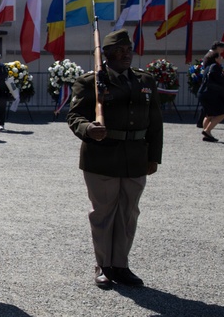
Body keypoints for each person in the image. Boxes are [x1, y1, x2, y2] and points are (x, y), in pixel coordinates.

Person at [67, 29, 163, 289]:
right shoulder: (91, 82)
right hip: (102, 157)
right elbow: (74, 117)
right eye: (119, 51)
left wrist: (153, 157)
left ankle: (121, 265)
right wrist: (88, 129)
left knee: (128, 214)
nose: (125, 55)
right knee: (103, 214)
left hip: (135, 157)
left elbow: (155, 122)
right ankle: (103, 265)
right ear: (106, 54)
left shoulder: (145, 81)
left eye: (128, 50)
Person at [199, 41, 224, 142]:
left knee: (209, 115)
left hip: (203, 93)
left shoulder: (208, 66)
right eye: (220, 57)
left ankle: (206, 133)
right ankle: (207, 131)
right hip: (210, 94)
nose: (222, 58)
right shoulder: (215, 66)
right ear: (216, 59)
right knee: (223, 113)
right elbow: (215, 78)